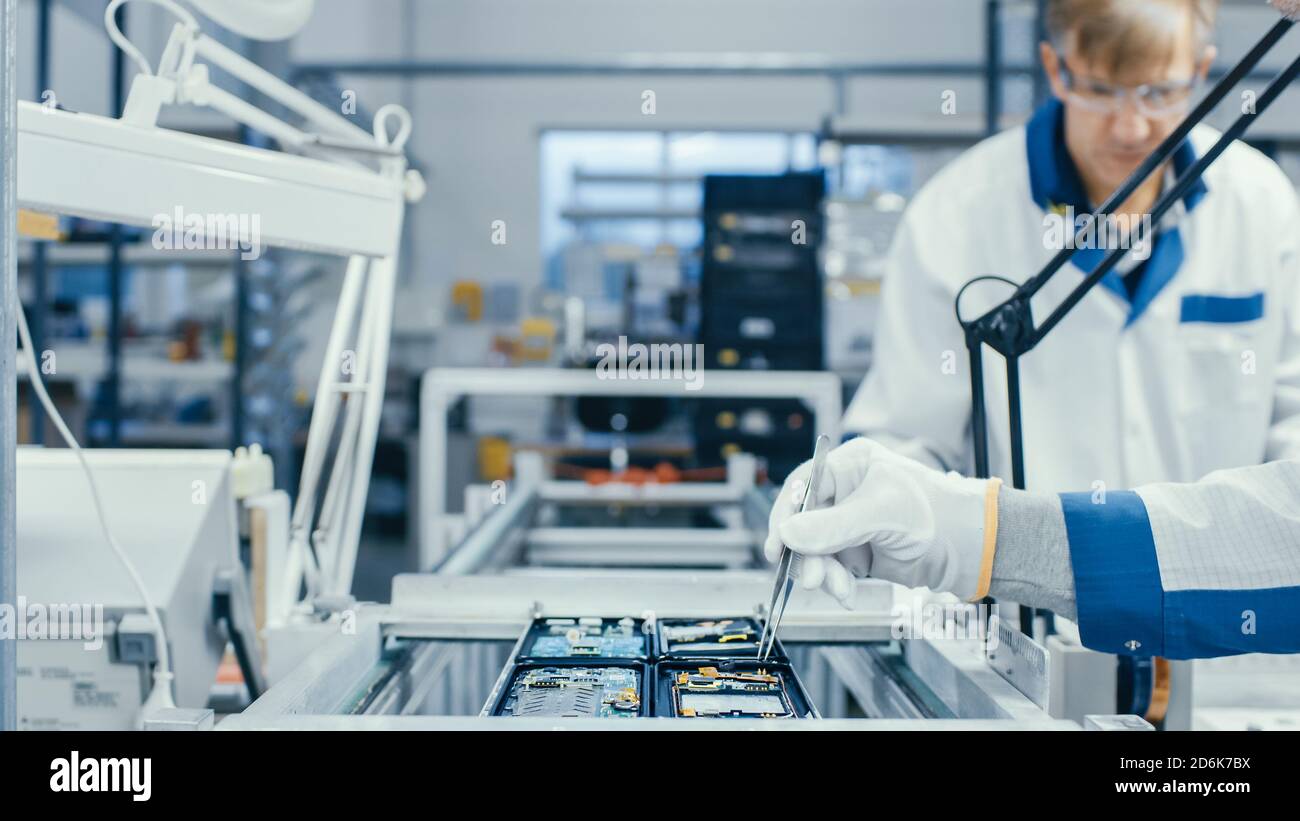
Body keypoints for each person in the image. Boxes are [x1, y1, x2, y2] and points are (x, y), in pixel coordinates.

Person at [842, 0, 1300, 496]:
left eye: (1160, 92)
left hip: (1223, 571)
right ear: (1054, 69)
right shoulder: (954, 215)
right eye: (1101, 90)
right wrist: (864, 495)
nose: (1130, 127)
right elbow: (910, 440)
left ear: (1200, 71)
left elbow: (1294, 419)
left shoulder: (1261, 202)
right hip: (1029, 573)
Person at [765, 438, 1300, 660]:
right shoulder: (956, 218)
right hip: (1021, 644)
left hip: (1231, 677)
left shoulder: (1265, 211)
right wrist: (881, 500)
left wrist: (972, 529)